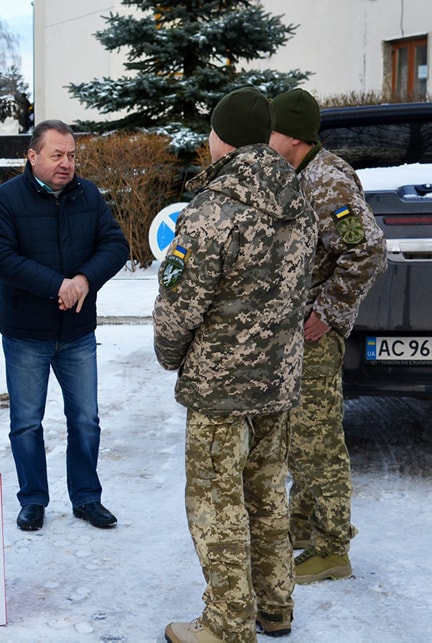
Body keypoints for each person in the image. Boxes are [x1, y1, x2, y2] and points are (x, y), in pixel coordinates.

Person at [154, 87, 317, 643]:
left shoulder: (212, 209)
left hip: (219, 387)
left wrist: (169, 356)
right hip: (279, 380)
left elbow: (179, 306)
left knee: (217, 502)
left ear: (221, 137)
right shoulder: (301, 201)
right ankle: (275, 607)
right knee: (267, 494)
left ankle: (226, 624)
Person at [0, 119, 130, 532]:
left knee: (86, 420)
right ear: (32, 156)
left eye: (72, 155)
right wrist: (56, 286)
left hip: (78, 333)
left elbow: (116, 245)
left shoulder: (88, 195)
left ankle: (86, 498)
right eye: (57, 155)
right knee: (27, 422)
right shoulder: (6, 199)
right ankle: (32, 499)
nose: (66, 163)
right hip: (27, 334)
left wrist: (82, 280)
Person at [269, 88, 387, 585]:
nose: (265, 139)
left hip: (313, 338)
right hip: (295, 337)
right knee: (300, 437)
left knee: (319, 444)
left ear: (292, 136)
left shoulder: (325, 181)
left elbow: (369, 251)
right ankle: (302, 526)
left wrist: (328, 312)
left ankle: (333, 547)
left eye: (271, 130)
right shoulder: (301, 173)